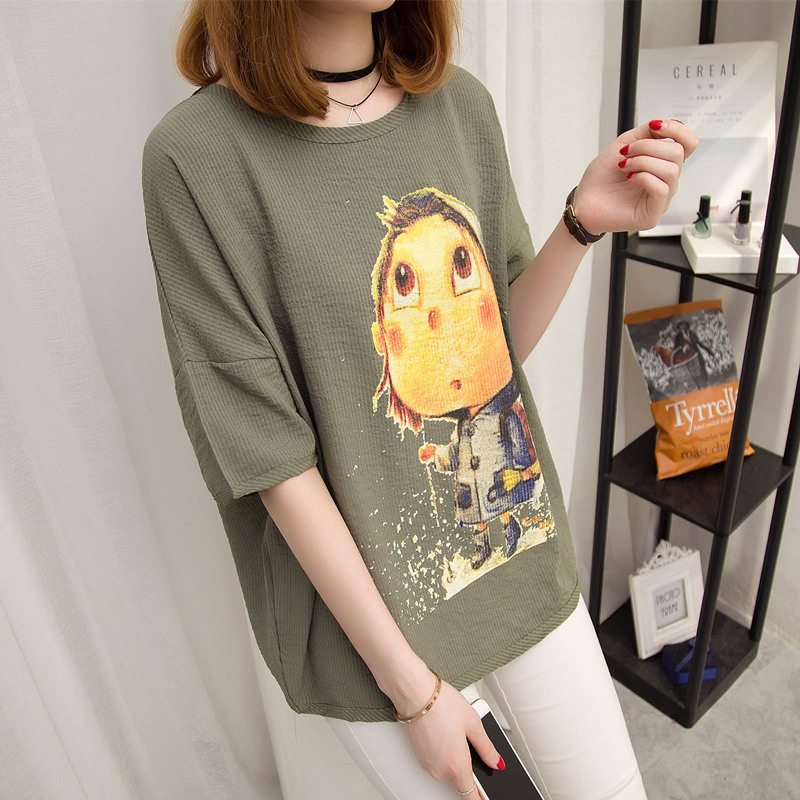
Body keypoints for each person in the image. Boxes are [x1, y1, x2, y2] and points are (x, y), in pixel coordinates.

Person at [142, 2, 698, 798]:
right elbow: (270, 458)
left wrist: (581, 224)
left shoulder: (458, 106)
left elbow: (489, 358)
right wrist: (417, 693)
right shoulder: (196, 159)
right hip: (371, 635)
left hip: (517, 565)